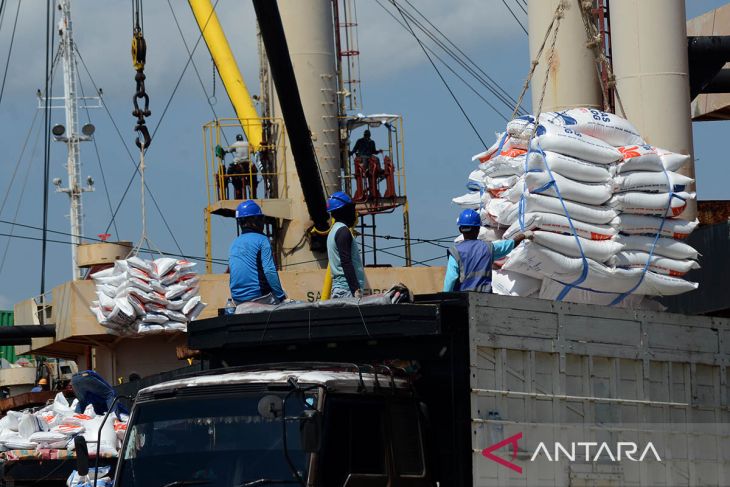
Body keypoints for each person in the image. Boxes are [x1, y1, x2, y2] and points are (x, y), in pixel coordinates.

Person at [443, 209, 529, 293]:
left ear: (461, 230)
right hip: (485, 297)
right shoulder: (488, 248)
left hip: (462, 299)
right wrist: (524, 235)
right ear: (478, 229)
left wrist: (444, 299)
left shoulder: (456, 252)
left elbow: (450, 279)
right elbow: (510, 245)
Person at [229, 200, 287, 305]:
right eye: (260, 219)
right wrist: (281, 296)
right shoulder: (262, 240)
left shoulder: (234, 243)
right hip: (259, 297)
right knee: (285, 298)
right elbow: (269, 271)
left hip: (237, 299)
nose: (263, 223)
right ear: (253, 220)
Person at [326, 192, 366, 299]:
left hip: (342, 290)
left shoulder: (334, 231)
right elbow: (346, 261)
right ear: (344, 211)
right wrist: (356, 290)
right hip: (347, 291)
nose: (354, 213)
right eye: (351, 209)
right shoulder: (343, 231)